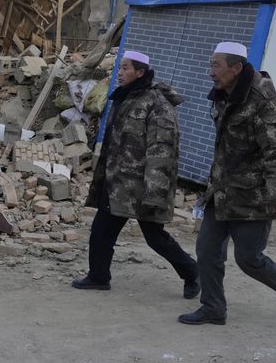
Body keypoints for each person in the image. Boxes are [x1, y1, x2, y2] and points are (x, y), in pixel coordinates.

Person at [179, 42, 276, 326]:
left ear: (236, 68)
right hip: (223, 189)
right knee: (207, 250)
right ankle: (213, 307)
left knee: (249, 258)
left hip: (255, 193)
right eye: (210, 64)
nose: (210, 72)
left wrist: (275, 196)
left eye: (216, 65)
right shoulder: (222, 94)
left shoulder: (262, 100)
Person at [72, 50, 200, 298]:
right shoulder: (125, 97)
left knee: (155, 238)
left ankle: (192, 272)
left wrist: (155, 192)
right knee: (101, 231)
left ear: (140, 73)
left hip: (143, 187)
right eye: (119, 67)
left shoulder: (157, 104)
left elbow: (162, 151)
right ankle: (98, 276)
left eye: (126, 68)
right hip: (118, 183)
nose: (119, 73)